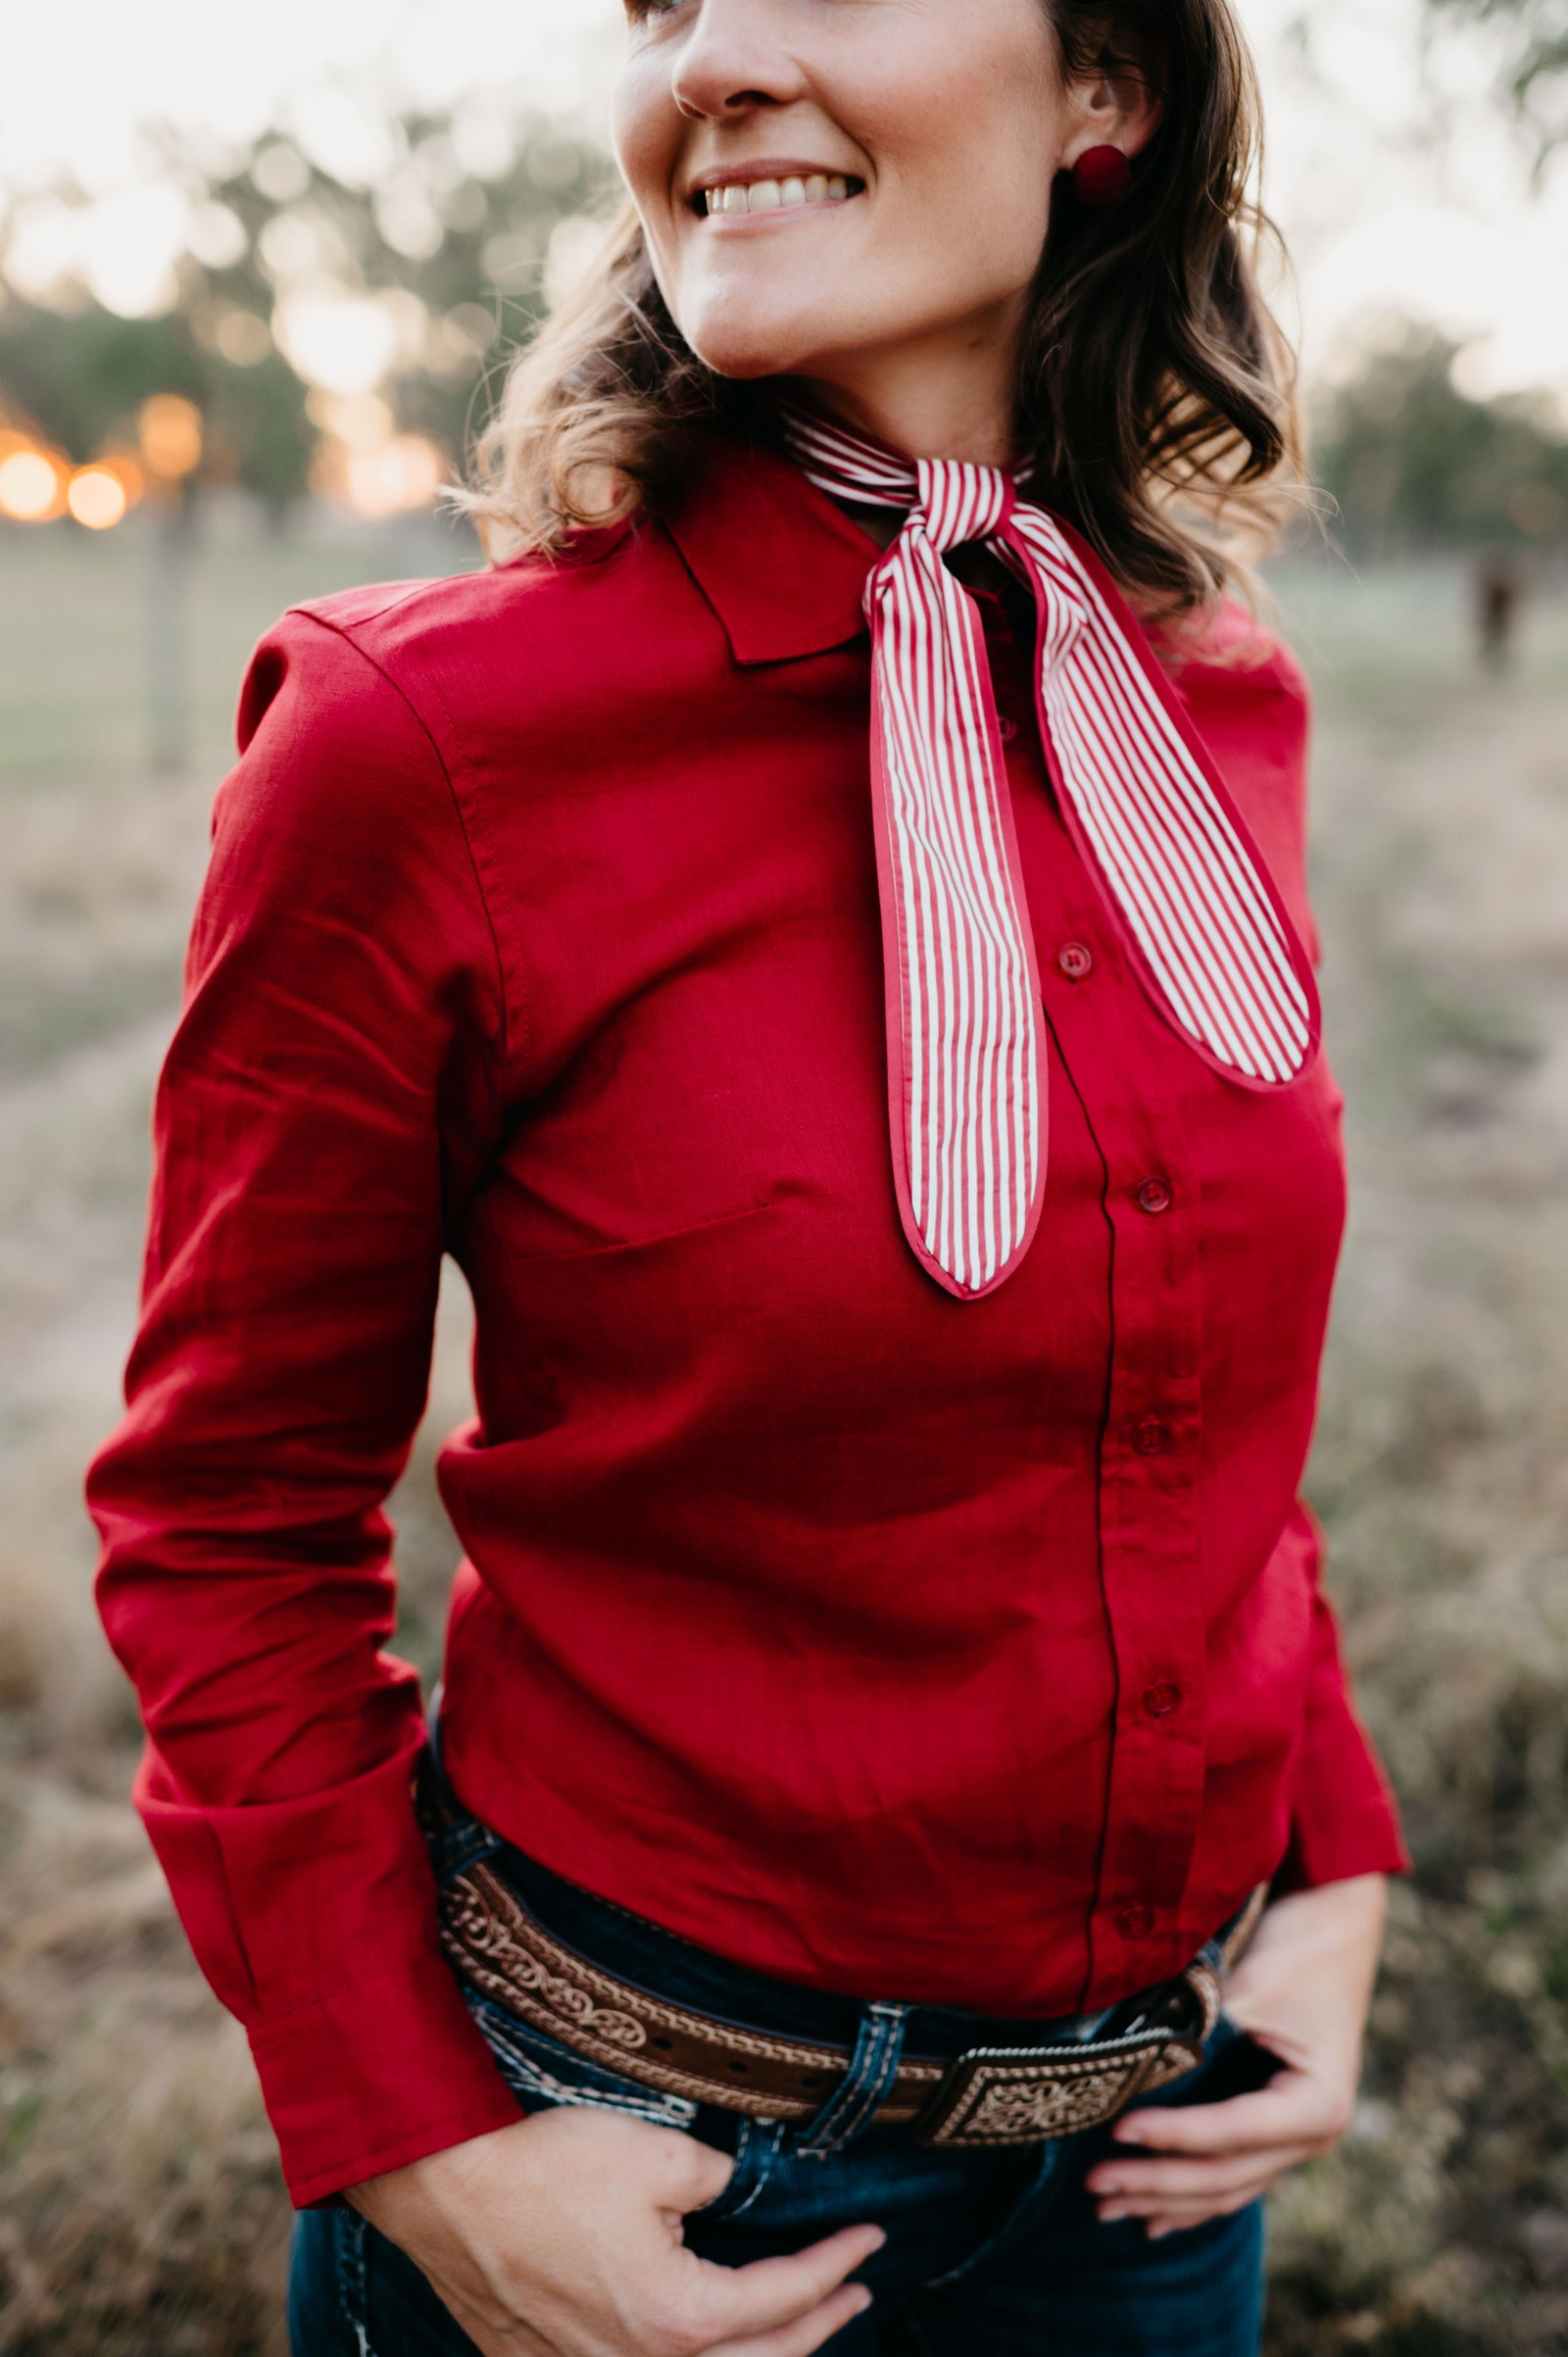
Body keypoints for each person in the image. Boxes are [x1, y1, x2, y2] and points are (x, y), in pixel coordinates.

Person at [87, 2, 1407, 2351]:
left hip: (1151, 2185)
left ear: (1104, 88)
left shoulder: (1203, 688)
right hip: (631, 2174)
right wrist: (427, 2152)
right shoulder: (418, 746)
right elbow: (225, 1518)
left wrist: (1331, 1864)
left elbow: (1190, 1388)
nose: (716, 58)